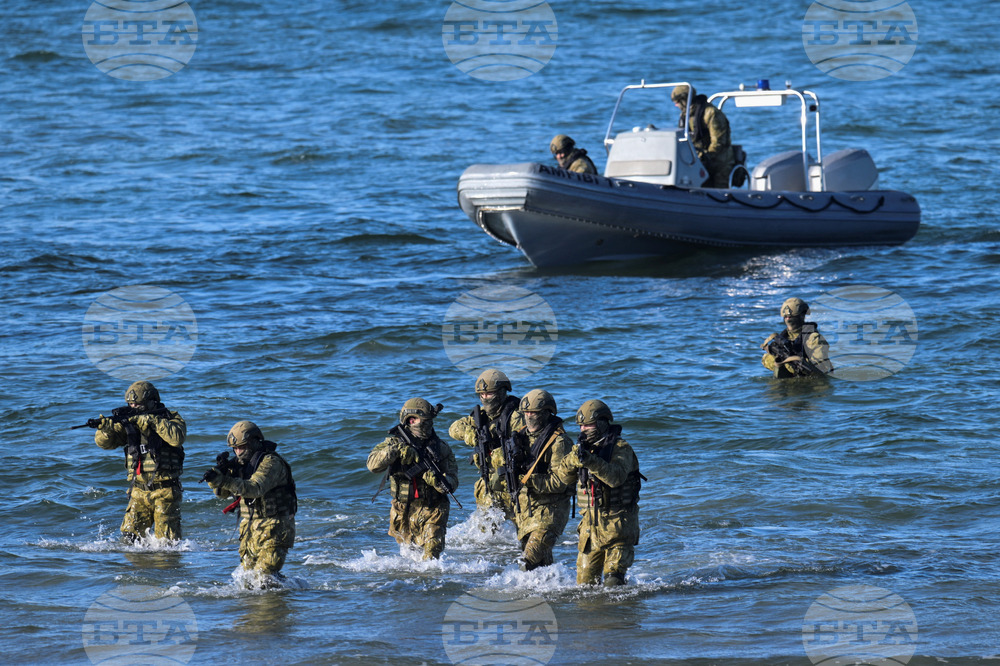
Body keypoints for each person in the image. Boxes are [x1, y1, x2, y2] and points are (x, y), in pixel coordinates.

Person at [491, 389, 576, 570]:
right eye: (526, 412)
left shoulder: (559, 442)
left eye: (534, 413)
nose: (529, 416)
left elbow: (561, 482)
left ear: (547, 413)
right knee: (540, 568)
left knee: (526, 562)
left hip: (550, 512)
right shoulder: (521, 436)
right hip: (526, 512)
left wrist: (527, 480)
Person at [562, 400, 642, 586]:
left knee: (613, 582)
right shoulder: (582, 448)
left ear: (602, 423)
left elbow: (616, 477)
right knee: (584, 588)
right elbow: (563, 478)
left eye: (588, 424)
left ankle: (622, 613)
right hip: (590, 530)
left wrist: (591, 461)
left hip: (618, 526)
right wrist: (573, 460)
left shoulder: (621, 448)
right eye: (581, 425)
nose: (584, 429)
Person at [94, 380, 186, 542]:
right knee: (129, 539)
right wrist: (106, 430)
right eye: (131, 404)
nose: (133, 408)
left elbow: (177, 438)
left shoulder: (170, 417)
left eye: (138, 405)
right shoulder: (129, 421)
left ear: (152, 402)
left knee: (167, 545)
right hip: (138, 490)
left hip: (165, 491)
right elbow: (105, 444)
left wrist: (152, 421)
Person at [204, 421, 297, 578]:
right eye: (235, 449)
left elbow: (255, 488)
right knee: (248, 581)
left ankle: (289, 598)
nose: (238, 452)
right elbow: (223, 494)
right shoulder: (240, 465)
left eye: (242, 447)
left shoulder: (271, 462)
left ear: (254, 442)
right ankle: (289, 594)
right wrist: (216, 480)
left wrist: (225, 481)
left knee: (264, 576)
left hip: (274, 528)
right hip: (250, 530)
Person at [368, 399, 459, 559]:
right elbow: (372, 465)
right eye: (413, 420)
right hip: (402, 510)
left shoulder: (440, 448)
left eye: (425, 421)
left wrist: (436, 480)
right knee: (410, 560)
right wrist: (396, 451)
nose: (419, 424)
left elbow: (452, 482)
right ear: (407, 421)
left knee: (431, 560)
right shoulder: (393, 443)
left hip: (433, 510)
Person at [448, 369, 524, 519]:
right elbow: (453, 428)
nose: (485, 398)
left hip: (513, 481)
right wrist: (471, 435)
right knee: (486, 533)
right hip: (488, 484)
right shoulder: (481, 416)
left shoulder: (516, 416)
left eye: (489, 394)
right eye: (482, 395)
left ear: (502, 392)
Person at [671, 84, 736, 188]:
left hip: (719, 162)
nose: (677, 106)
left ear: (684, 100)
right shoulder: (685, 115)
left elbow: (718, 142)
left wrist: (705, 157)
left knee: (719, 193)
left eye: (677, 103)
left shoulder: (711, 113)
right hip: (698, 161)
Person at [761, 297, 834, 378]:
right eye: (786, 316)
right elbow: (765, 360)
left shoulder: (813, 338)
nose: (788, 318)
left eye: (790, 316)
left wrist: (792, 363)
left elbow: (822, 368)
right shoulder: (782, 338)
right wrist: (780, 362)